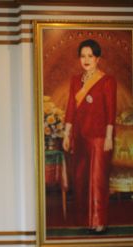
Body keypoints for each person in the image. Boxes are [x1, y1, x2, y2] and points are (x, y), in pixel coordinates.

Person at [62, 39, 116, 234]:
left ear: (97, 59)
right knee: (81, 180)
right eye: (83, 56)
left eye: (90, 56)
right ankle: (86, 220)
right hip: (80, 137)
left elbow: (111, 110)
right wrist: (66, 134)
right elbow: (70, 108)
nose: (86, 60)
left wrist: (109, 137)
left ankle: (99, 221)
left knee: (97, 180)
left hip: (100, 138)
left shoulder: (107, 81)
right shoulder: (75, 81)